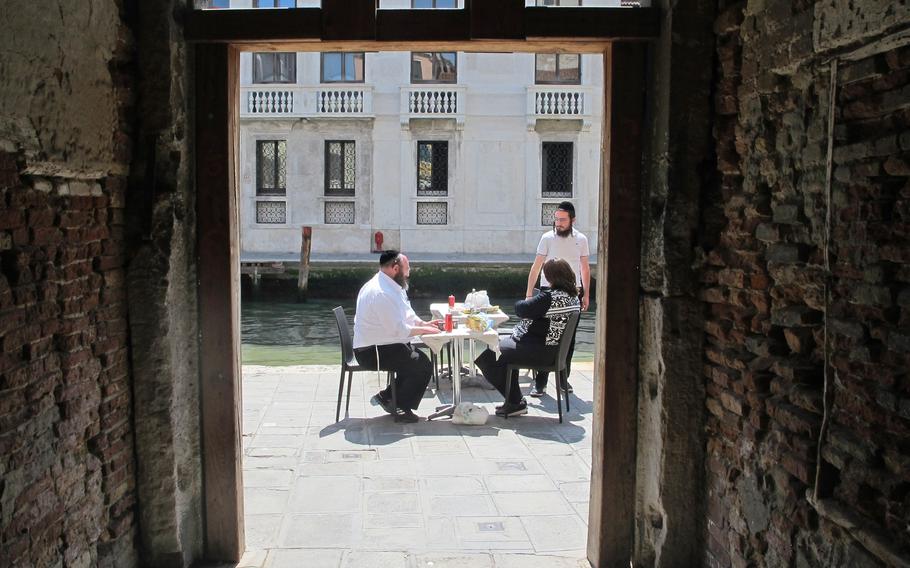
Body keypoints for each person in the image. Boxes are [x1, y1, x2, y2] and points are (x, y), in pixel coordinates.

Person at [475, 259, 581, 417]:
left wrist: (528, 300)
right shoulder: (573, 298)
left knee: (489, 357)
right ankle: (514, 401)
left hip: (540, 351)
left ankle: (515, 402)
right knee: (504, 350)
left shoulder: (549, 298)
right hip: (555, 352)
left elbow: (521, 309)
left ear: (551, 277)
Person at [353, 250, 441, 423]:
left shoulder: (392, 285)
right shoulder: (381, 293)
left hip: (385, 343)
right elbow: (397, 330)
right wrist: (425, 332)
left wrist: (423, 324)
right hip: (371, 352)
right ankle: (400, 405)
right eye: (406, 268)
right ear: (395, 268)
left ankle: (387, 397)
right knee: (421, 366)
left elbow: (407, 312)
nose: (409, 272)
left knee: (416, 360)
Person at [525, 201, 590, 397]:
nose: (558, 223)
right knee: (546, 337)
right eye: (556, 219)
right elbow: (536, 267)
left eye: (562, 219)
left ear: (572, 220)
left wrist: (586, 294)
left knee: (568, 339)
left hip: (572, 292)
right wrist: (529, 294)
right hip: (547, 291)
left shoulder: (581, 239)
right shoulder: (547, 238)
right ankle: (541, 383)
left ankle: (564, 380)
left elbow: (585, 268)